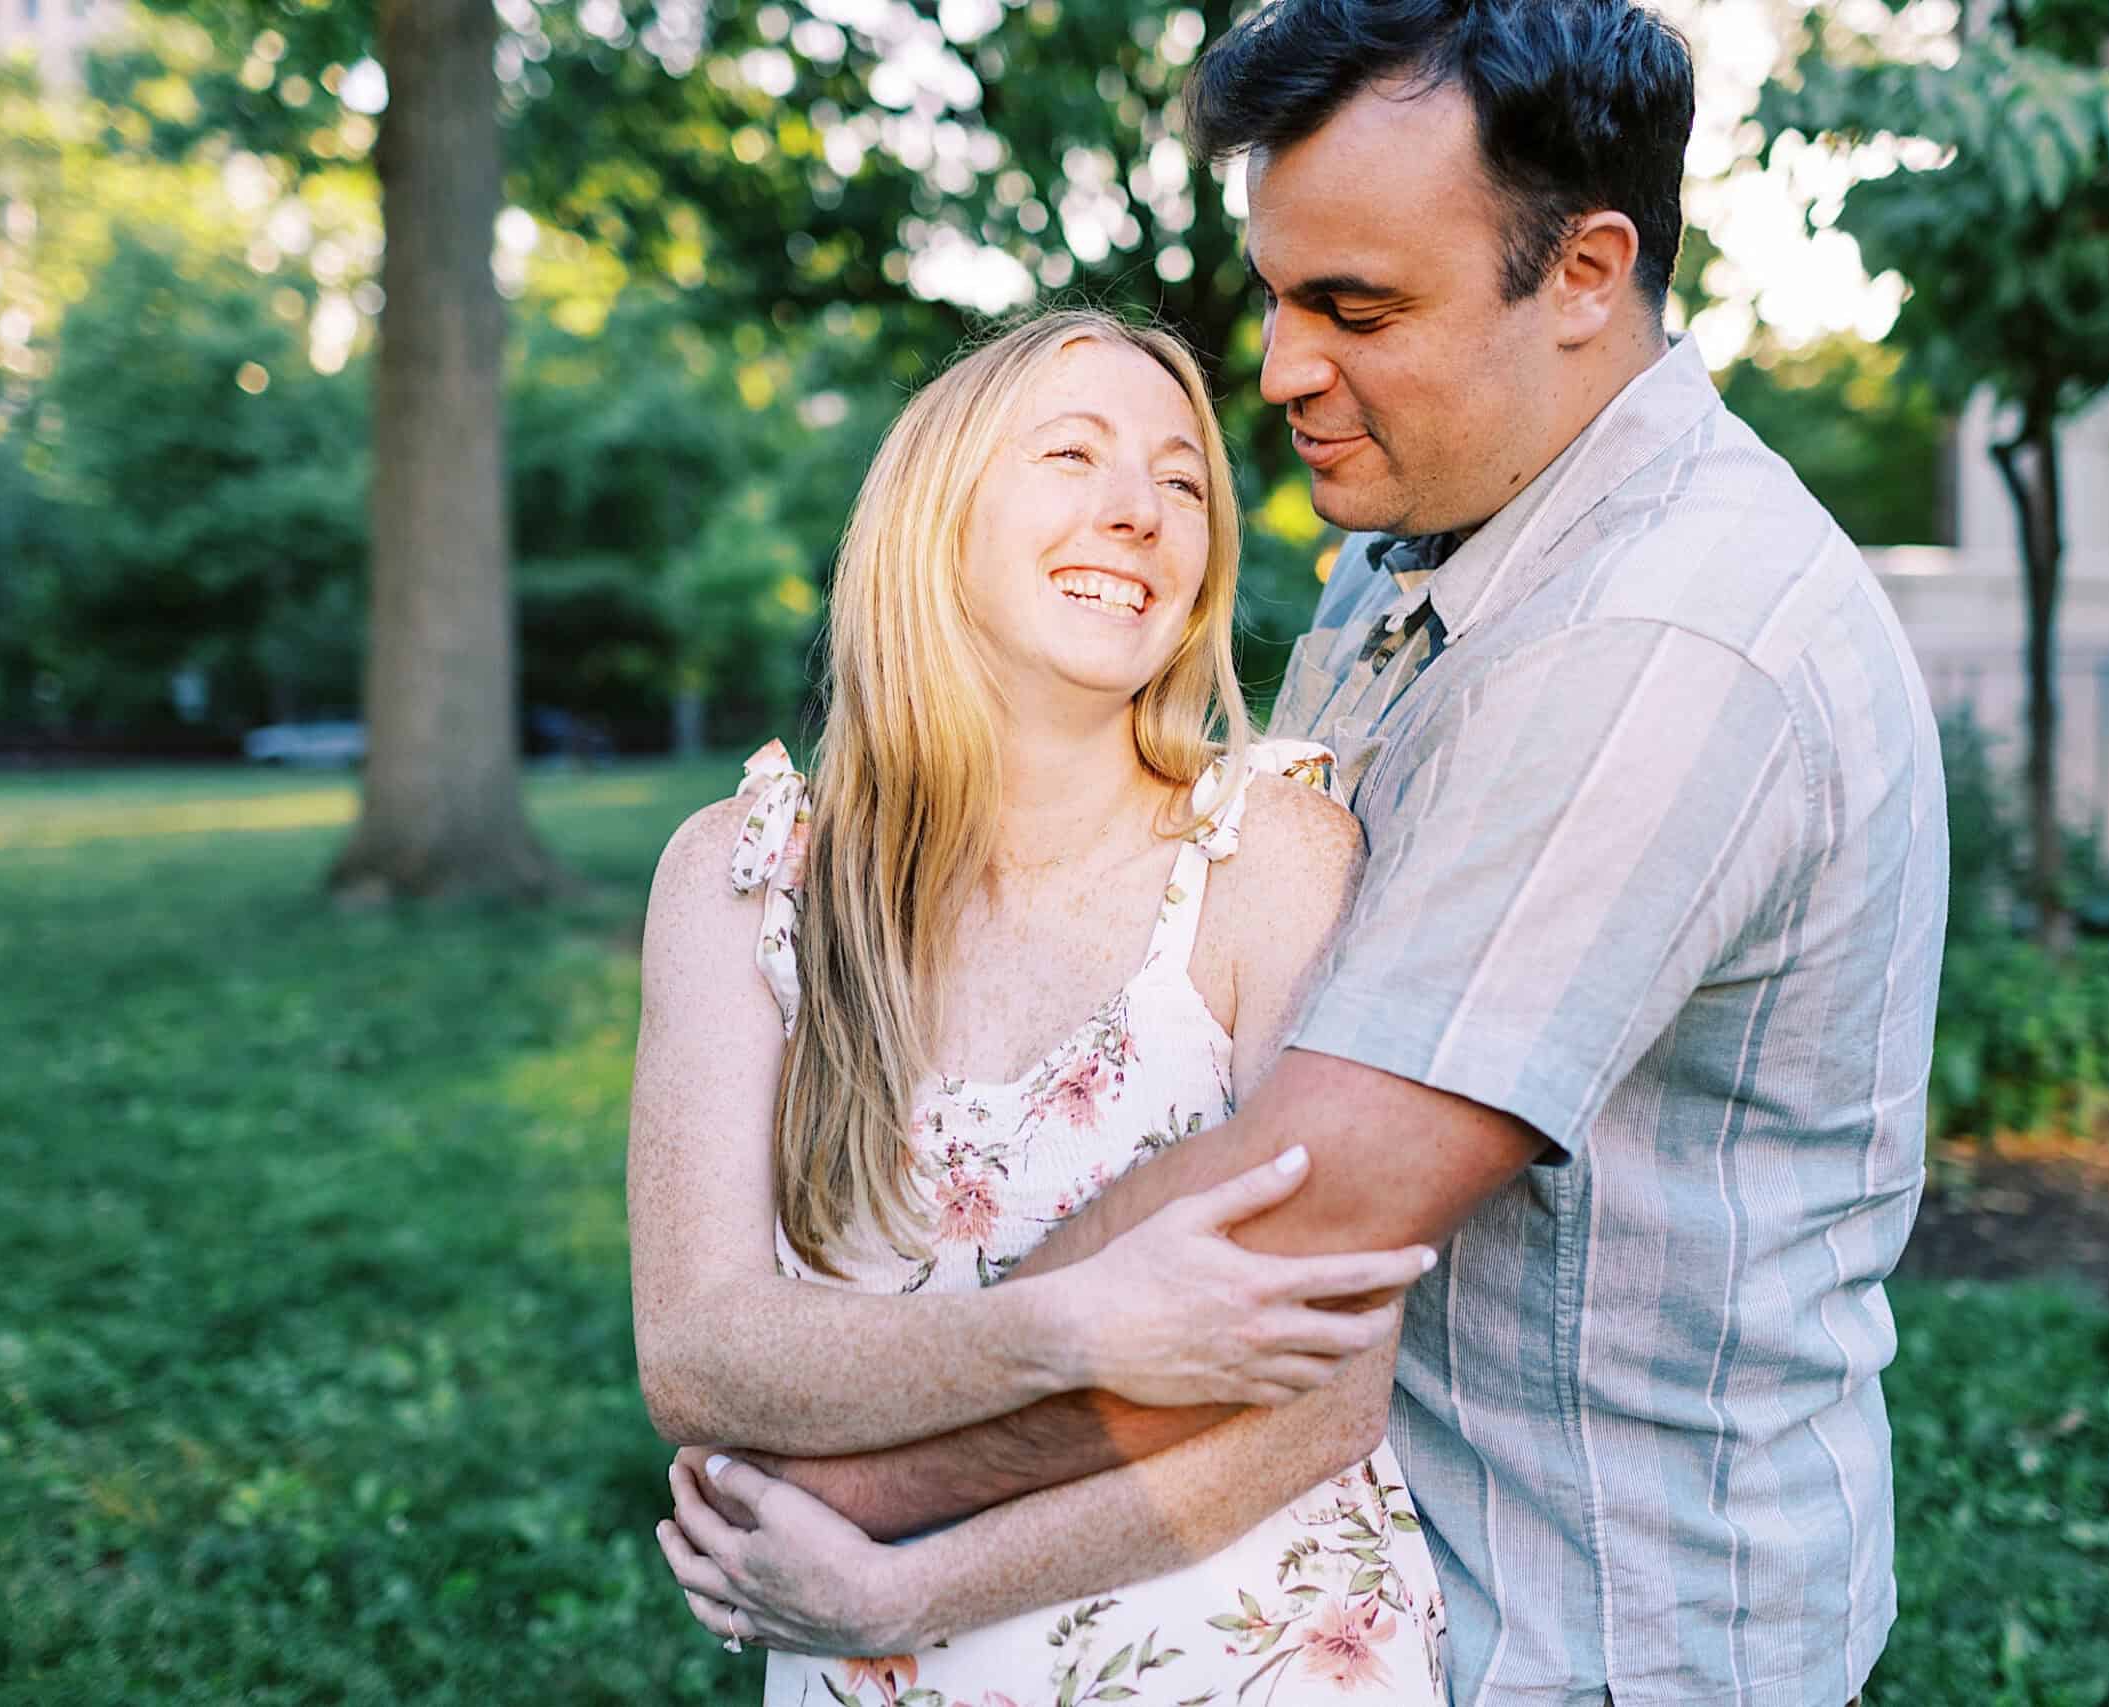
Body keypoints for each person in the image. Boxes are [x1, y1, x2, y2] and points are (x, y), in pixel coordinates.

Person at [656, 4, 1949, 1706]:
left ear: (1584, 273)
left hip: (1593, 1628)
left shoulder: (1665, 644)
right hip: (1361, 1567)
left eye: (1357, 307)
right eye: (1276, 293)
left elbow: (1293, 1229)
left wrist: (838, 1501)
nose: (1273, 371)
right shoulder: (1407, 553)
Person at [630, 308, 1451, 1701]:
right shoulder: (746, 876)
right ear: (934, 516)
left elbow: (1328, 1392)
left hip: (1241, 1651)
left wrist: (906, 1586)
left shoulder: (1269, 857)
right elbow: (704, 1357)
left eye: (1184, 481)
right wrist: (1077, 1326)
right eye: (1071, 454)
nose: (1137, 511)